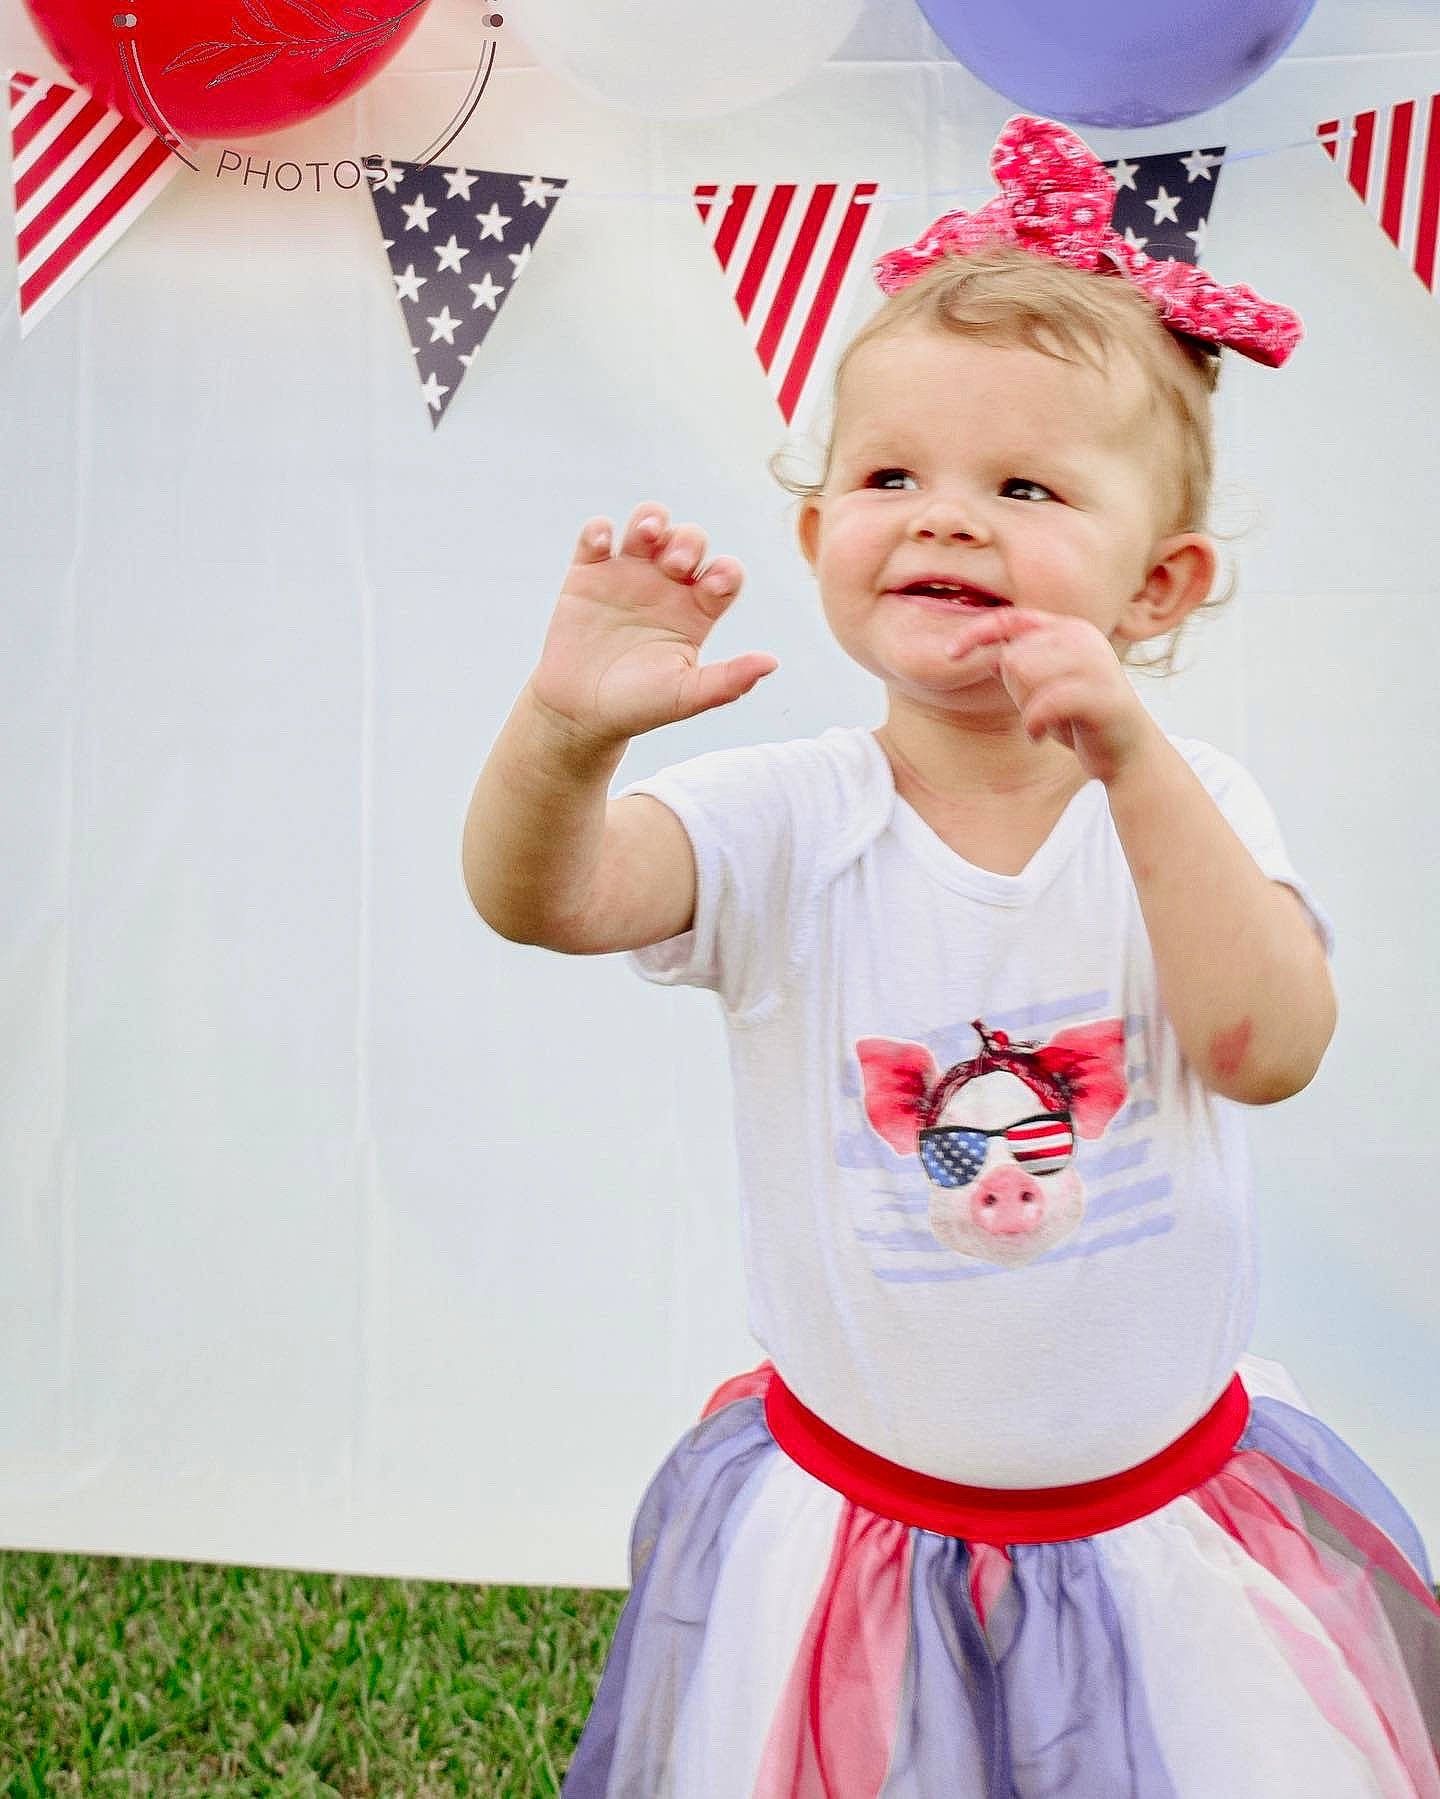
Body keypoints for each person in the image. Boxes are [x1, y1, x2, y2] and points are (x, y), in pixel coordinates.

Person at [462, 115, 1440, 1798]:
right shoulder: (788, 817)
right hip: (850, 1526)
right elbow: (545, 899)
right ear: (818, 532)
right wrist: (565, 735)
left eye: (1026, 488)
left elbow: (1267, 1049)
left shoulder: (1189, 810)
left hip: (1158, 1522)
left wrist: (1135, 766)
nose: (948, 521)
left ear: (1161, 585)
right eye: (890, 478)